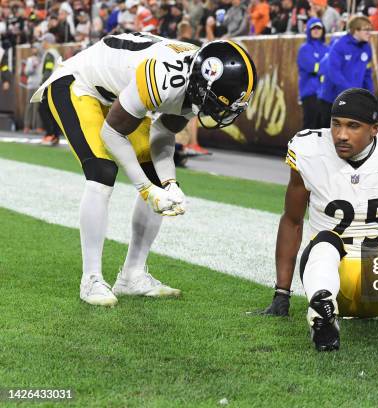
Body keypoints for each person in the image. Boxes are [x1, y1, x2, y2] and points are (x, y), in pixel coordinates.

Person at [31, 33, 257, 306]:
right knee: (102, 172)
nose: (219, 111)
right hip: (78, 84)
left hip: (117, 95)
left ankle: (132, 276)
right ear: (202, 84)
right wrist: (146, 190)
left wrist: (169, 183)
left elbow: (162, 135)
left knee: (156, 178)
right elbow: (112, 133)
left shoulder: (195, 80)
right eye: (217, 102)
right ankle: (91, 279)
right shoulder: (165, 78)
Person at [259, 88, 378, 353]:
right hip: (330, 280)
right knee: (326, 240)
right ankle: (323, 312)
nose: (341, 135)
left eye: (353, 126)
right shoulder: (309, 150)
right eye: (336, 124)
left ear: (375, 129)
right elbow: (292, 221)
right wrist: (281, 294)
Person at [318, 15, 374, 128]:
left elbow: (367, 75)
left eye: (370, 29)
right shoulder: (339, 46)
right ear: (355, 30)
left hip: (352, 99)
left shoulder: (367, 48)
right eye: (366, 29)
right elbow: (334, 72)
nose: (369, 33)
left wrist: (369, 96)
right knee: (326, 136)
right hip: (331, 99)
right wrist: (350, 91)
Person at [297, 18, 328, 130]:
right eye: (313, 28)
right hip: (310, 93)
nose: (316, 30)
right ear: (308, 31)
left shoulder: (327, 48)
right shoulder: (304, 49)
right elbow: (314, 68)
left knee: (324, 128)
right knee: (310, 127)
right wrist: (325, 68)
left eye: (319, 28)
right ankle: (304, 148)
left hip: (325, 94)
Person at [37, 33, 63, 146]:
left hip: (49, 86)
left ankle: (50, 134)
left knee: (43, 109)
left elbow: (47, 71)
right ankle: (55, 136)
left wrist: (43, 86)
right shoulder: (55, 53)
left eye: (43, 41)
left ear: (47, 42)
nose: (42, 43)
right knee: (52, 111)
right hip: (55, 86)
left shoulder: (49, 54)